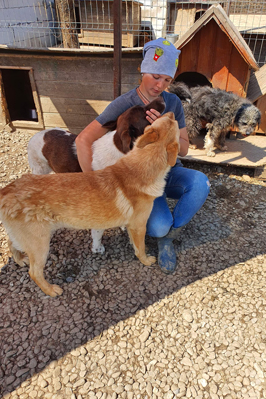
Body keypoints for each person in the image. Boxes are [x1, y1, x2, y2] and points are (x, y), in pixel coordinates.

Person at [76, 38, 210, 274]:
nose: (160, 86)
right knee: (157, 227)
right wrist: (94, 185)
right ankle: (163, 231)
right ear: (142, 69)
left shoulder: (173, 102)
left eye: (167, 80)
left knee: (201, 183)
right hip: (141, 181)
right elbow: (83, 140)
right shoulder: (124, 104)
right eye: (156, 77)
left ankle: (170, 237)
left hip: (170, 169)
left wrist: (166, 134)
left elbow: (186, 149)